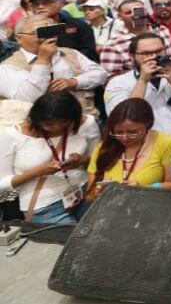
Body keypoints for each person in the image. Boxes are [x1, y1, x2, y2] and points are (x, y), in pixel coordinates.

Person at [0, 91, 100, 224]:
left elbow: (98, 160)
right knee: (71, 242)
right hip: (45, 207)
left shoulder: (86, 124)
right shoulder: (12, 136)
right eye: (49, 124)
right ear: (36, 118)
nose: (57, 128)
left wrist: (83, 160)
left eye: (64, 123)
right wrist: (39, 171)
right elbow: (2, 184)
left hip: (83, 193)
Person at [0, 15, 108, 120]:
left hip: (84, 122)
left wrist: (74, 82)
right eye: (38, 33)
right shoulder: (8, 67)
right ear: (19, 38)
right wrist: (42, 61)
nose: (46, 37)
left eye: (51, 31)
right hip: (42, 131)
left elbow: (101, 74)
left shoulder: (71, 53)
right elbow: (27, 98)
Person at [104, 33, 171, 143]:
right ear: (132, 56)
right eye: (146, 54)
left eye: (158, 52)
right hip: (144, 149)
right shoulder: (118, 83)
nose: (154, 57)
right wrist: (142, 81)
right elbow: (123, 120)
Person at [86, 98, 171, 199]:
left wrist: (143, 189)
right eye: (118, 132)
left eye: (132, 132)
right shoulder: (104, 148)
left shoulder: (164, 142)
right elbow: (89, 195)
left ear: (147, 124)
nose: (124, 137)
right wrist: (97, 194)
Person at [100, 0, 171, 79]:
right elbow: (111, 78)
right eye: (128, 13)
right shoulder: (113, 44)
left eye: (138, 11)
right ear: (120, 17)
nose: (134, 15)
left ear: (146, 12)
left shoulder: (162, 30)